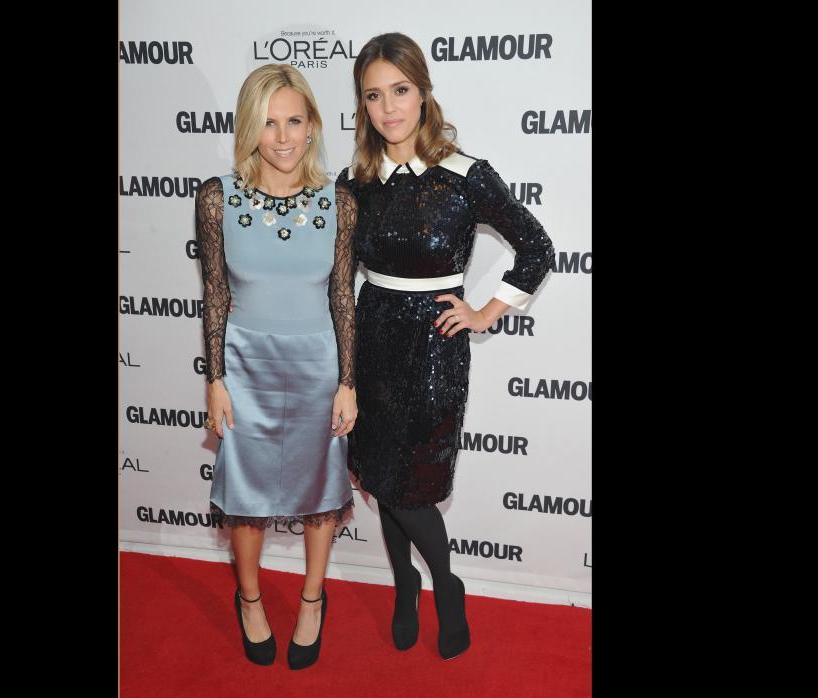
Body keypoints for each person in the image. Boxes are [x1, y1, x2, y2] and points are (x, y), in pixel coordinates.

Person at [337, 32, 556, 660]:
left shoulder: (466, 176)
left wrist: (486, 311)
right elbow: (331, 272)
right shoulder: (357, 183)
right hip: (372, 337)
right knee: (380, 475)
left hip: (434, 347)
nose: (389, 108)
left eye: (400, 90)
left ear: (424, 92)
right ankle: (404, 586)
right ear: (363, 106)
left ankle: (444, 585)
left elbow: (538, 248)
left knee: (413, 487)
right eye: (374, 96)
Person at [196, 63, 358, 670]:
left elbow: (343, 296)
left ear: (313, 127)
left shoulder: (339, 201)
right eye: (268, 123)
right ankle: (251, 598)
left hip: (318, 364)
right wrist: (214, 379)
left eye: (294, 120)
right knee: (245, 495)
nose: (283, 136)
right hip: (245, 365)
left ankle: (313, 600)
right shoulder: (217, 198)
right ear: (249, 128)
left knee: (321, 492)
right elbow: (215, 293)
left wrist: (347, 382)